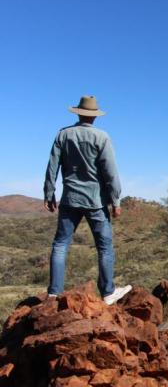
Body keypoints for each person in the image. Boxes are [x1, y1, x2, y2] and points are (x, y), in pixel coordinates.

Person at [43, 95, 132, 305]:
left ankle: (54, 292)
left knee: (60, 245)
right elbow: (111, 173)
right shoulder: (102, 138)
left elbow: (52, 167)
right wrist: (115, 201)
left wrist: (49, 193)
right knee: (104, 247)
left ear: (79, 113)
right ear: (94, 116)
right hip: (96, 202)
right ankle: (108, 293)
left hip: (69, 199)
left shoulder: (63, 135)